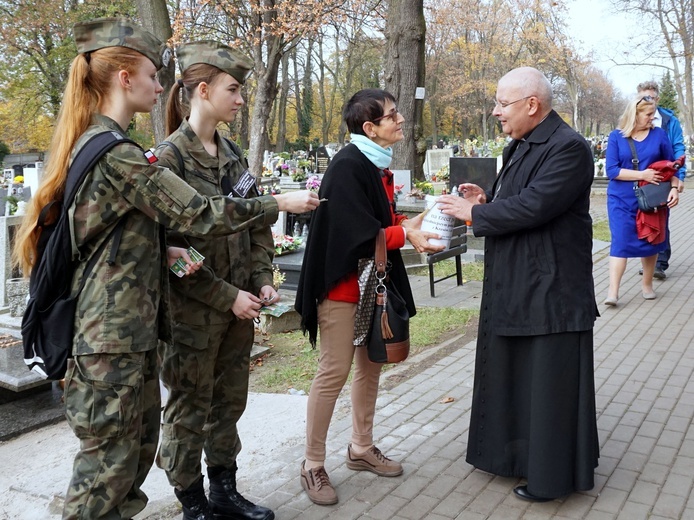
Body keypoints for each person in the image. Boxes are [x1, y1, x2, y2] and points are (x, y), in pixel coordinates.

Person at [11, 18, 318, 520]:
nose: (161, 87)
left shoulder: (113, 148)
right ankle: (194, 497)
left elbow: (123, 237)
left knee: (126, 467)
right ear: (124, 77)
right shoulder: (120, 155)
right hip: (110, 340)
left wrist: (165, 250)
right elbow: (197, 213)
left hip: (127, 335)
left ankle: (219, 490)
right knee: (106, 474)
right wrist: (277, 201)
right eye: (153, 75)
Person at [437, 67, 600, 502]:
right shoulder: (523, 143)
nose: (495, 111)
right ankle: (513, 458)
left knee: (548, 384)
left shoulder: (569, 148)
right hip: (519, 282)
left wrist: (473, 215)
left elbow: (536, 206)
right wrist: (486, 201)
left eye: (502, 103)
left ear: (533, 104)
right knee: (518, 377)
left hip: (551, 289)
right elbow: (519, 199)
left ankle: (551, 476)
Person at [295, 88, 443, 505]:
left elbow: (379, 219)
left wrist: (411, 226)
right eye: (393, 116)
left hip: (372, 285)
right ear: (369, 127)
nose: (400, 121)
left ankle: (361, 448)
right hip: (342, 285)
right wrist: (403, 233)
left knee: (371, 364)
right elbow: (354, 234)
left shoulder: (375, 165)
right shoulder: (347, 167)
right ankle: (312, 463)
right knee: (334, 371)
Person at [155, 41, 274, 520]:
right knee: (189, 411)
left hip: (241, 310)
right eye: (234, 89)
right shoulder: (169, 161)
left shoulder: (232, 153)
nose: (241, 99)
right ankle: (192, 502)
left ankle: (225, 490)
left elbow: (256, 223)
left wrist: (263, 279)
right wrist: (227, 297)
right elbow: (168, 257)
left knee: (229, 404)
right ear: (203, 90)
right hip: (194, 319)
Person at [603, 95, 678, 305]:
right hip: (621, 199)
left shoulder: (660, 135)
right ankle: (613, 292)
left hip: (652, 198)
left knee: (651, 241)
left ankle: (647, 284)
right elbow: (612, 170)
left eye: (653, 115)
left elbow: (671, 166)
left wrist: (674, 188)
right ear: (634, 114)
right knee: (620, 241)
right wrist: (642, 175)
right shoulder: (616, 137)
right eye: (648, 114)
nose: (651, 119)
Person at [636, 81, 686, 280]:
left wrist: (678, 177)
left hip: (664, 175)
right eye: (642, 97)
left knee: (661, 218)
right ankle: (648, 260)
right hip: (641, 177)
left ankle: (660, 263)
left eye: (650, 97)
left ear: (657, 99)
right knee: (643, 217)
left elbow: (678, 148)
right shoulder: (634, 117)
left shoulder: (669, 121)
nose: (647, 101)